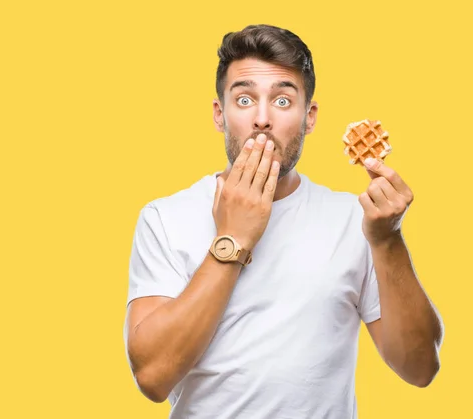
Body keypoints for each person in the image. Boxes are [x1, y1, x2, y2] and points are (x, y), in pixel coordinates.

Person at [123, 24, 444, 419]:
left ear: (309, 118)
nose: (261, 119)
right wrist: (233, 238)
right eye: (243, 99)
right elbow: (153, 377)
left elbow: (420, 368)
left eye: (281, 100)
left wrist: (388, 241)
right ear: (219, 114)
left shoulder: (354, 221)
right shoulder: (165, 218)